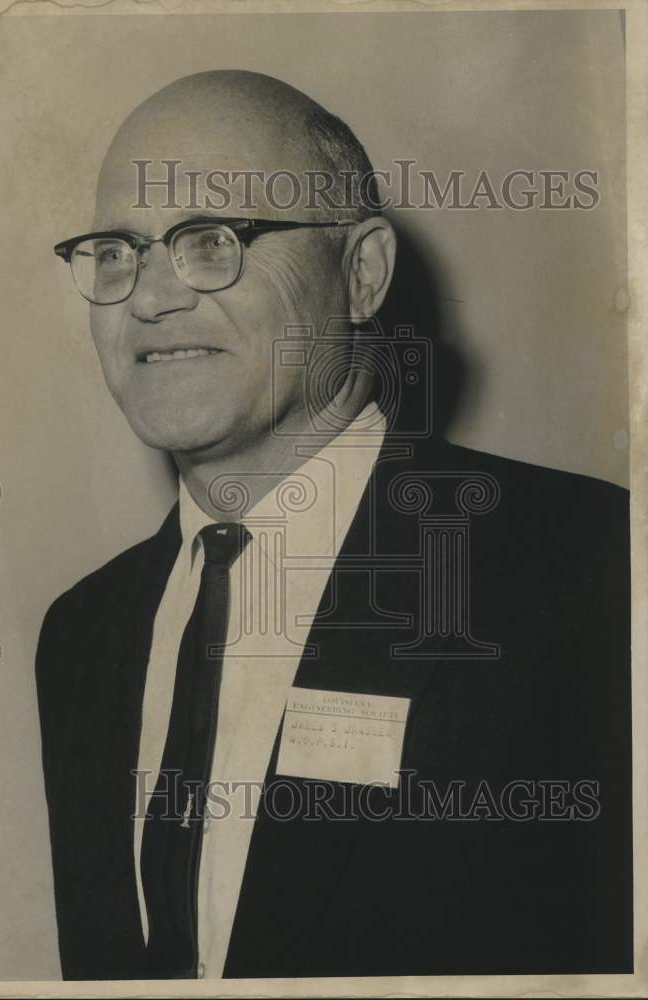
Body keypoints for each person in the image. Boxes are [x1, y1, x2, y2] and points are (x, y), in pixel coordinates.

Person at [35, 70, 631, 981]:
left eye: (210, 239)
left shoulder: (591, 566)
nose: (147, 297)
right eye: (116, 251)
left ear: (360, 274)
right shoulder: (82, 634)